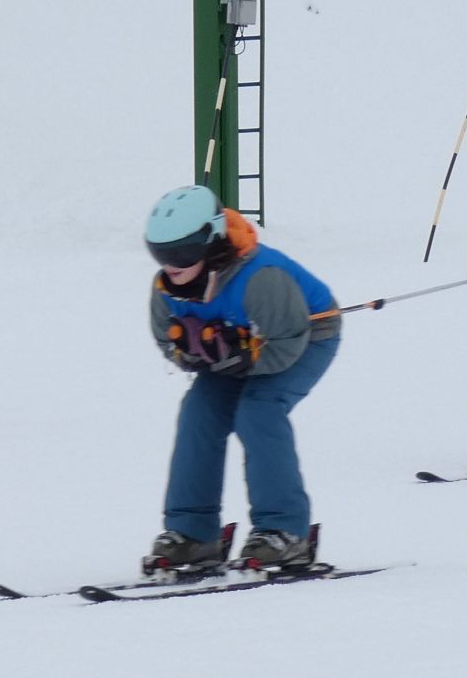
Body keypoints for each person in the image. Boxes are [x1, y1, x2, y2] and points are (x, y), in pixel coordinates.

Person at [144, 185, 341, 570]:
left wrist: (238, 357)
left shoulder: (260, 277)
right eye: (160, 253)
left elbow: (286, 344)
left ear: (211, 240)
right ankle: (193, 533)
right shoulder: (166, 288)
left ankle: (284, 531)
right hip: (239, 352)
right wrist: (194, 352)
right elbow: (165, 339)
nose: (172, 265)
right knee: (198, 413)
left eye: (182, 253)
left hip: (306, 338)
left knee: (259, 411)